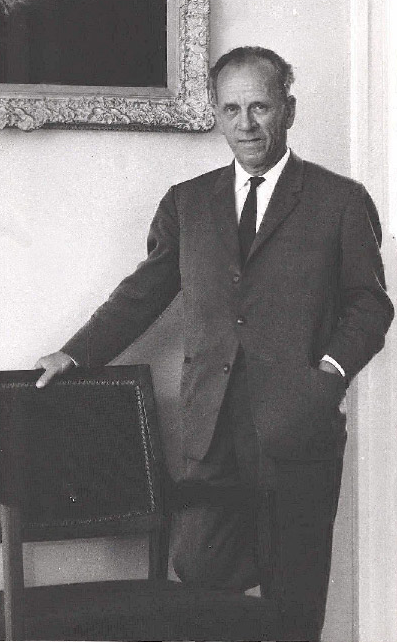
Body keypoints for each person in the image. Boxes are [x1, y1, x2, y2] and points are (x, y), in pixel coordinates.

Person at [35, 45, 393, 641]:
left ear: (289, 109)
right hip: (211, 429)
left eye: (260, 107)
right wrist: (77, 353)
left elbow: (371, 303)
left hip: (297, 429)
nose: (245, 124)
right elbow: (145, 292)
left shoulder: (340, 201)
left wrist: (326, 376)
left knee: (293, 604)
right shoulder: (188, 201)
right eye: (231, 109)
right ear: (215, 113)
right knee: (199, 577)